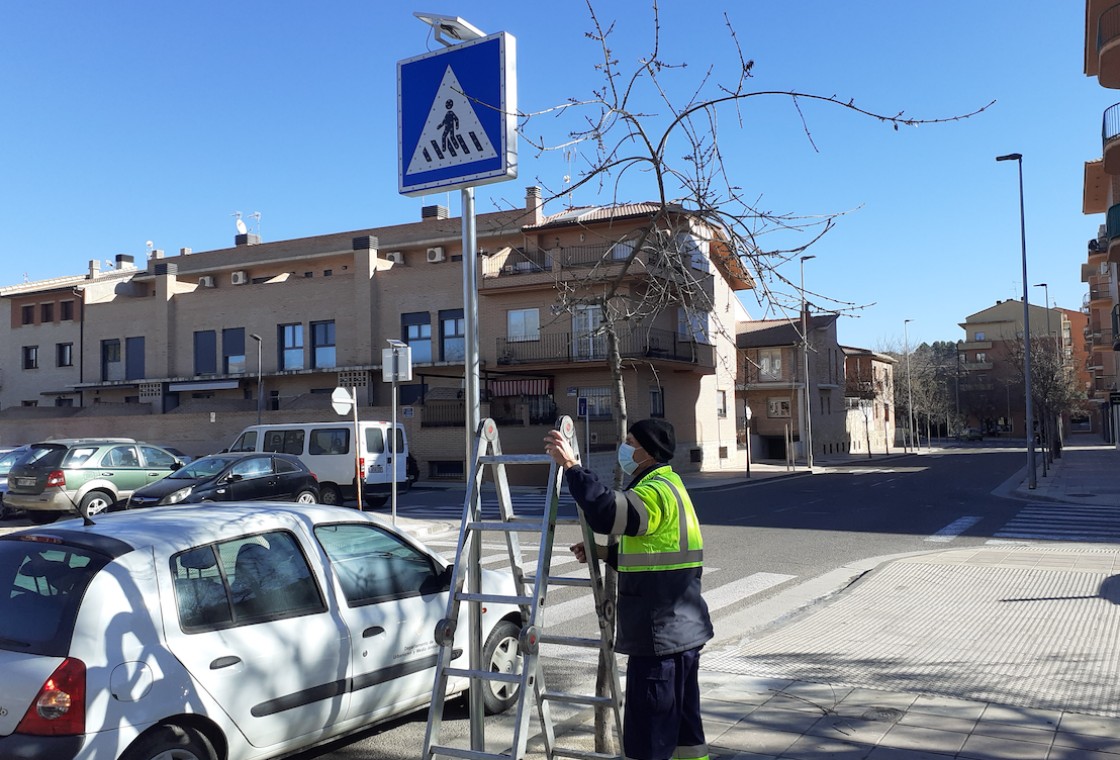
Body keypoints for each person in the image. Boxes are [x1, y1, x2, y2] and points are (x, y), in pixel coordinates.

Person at [543, 419, 712, 760]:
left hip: (659, 635)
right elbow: (657, 554)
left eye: (630, 441)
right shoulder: (671, 484)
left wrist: (573, 468)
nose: (625, 447)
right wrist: (606, 553)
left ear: (647, 451)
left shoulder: (653, 491)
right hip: (683, 631)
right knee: (684, 733)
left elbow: (608, 514)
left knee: (647, 738)